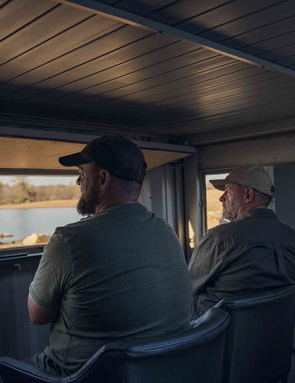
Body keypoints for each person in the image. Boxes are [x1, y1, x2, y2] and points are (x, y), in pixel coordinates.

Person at [26, 136, 193, 376]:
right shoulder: (166, 230)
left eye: (83, 173)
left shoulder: (70, 240)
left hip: (82, 374)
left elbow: (37, 314)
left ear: (102, 179)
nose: (78, 181)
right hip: (163, 370)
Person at [189, 166, 295, 317]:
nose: (221, 198)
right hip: (272, 332)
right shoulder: (292, 238)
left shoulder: (221, 237)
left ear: (248, 195)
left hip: (218, 335)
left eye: (227, 190)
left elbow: (187, 288)